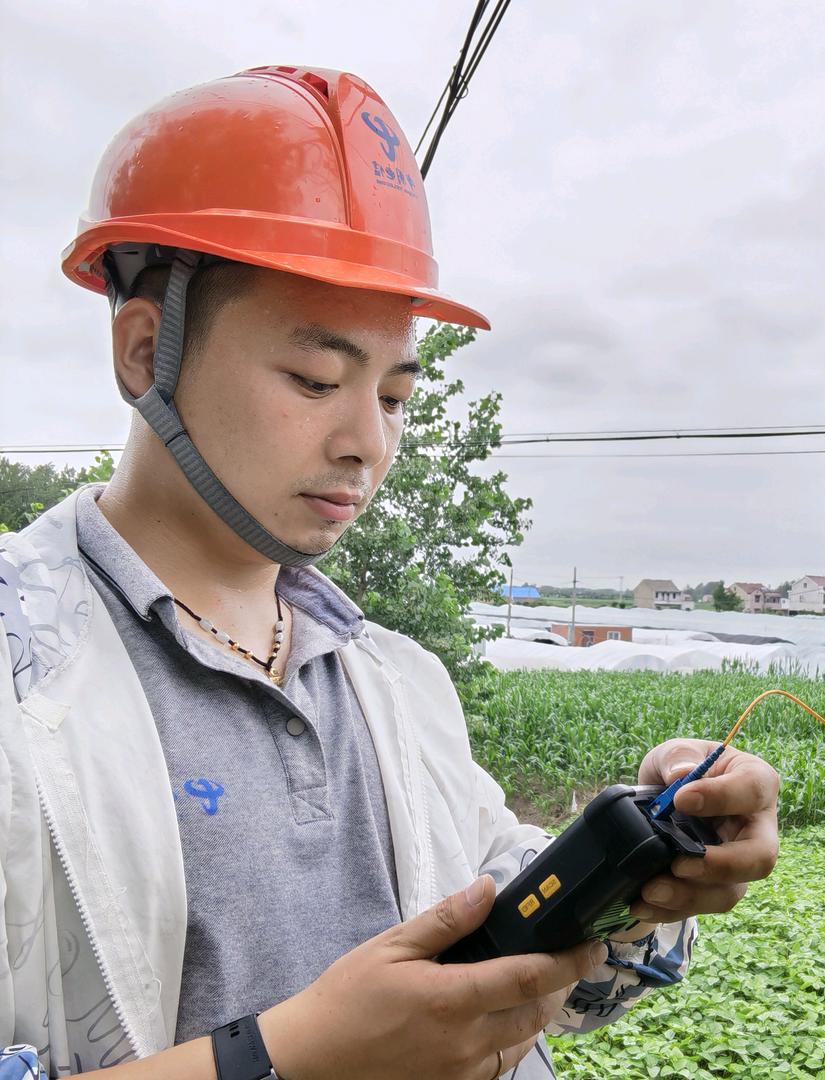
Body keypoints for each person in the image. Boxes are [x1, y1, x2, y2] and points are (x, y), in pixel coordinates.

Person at [0, 66, 779, 1080]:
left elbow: (518, 957)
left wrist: (643, 867)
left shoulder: (396, 682)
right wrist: (291, 1059)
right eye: (316, 380)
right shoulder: (25, 678)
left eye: (397, 395)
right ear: (147, 351)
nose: (367, 442)